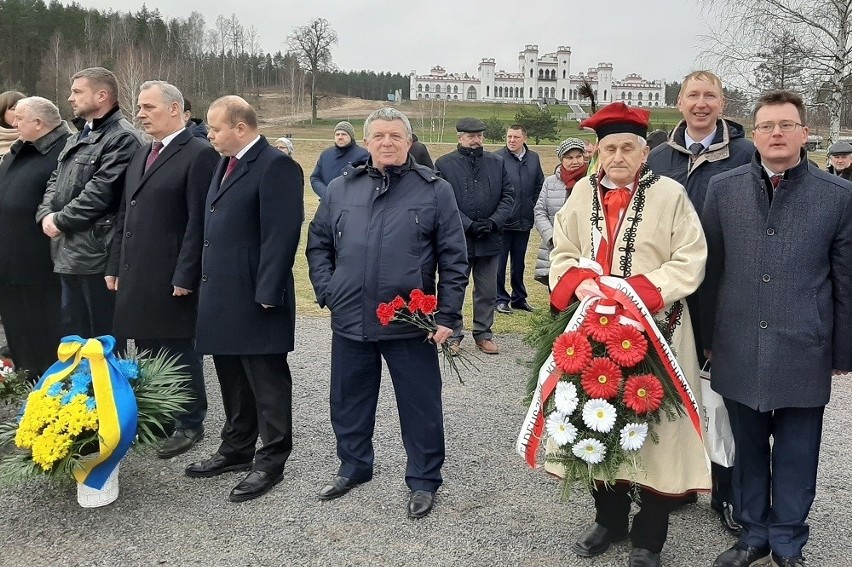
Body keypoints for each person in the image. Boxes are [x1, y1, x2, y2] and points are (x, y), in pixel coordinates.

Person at [549, 102, 710, 567]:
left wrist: (636, 294)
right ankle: (610, 520)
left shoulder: (672, 195)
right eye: (609, 148)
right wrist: (580, 283)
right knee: (597, 419)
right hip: (595, 330)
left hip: (659, 330)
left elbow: (690, 258)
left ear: (644, 153)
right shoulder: (581, 194)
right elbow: (563, 250)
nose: (617, 156)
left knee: (657, 431)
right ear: (599, 152)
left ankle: (649, 538)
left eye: (627, 148)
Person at [702, 90, 852, 567]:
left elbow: (846, 280)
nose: (777, 134)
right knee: (745, 447)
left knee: (796, 451)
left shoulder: (838, 197)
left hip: (803, 347)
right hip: (739, 343)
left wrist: (842, 352)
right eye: (767, 126)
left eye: (787, 125)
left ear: (805, 133)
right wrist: (708, 341)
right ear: (756, 134)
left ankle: (787, 539)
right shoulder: (722, 189)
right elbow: (709, 272)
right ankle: (753, 534)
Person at [306, 107, 467, 519]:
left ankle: (424, 480)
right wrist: (329, 291)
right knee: (348, 401)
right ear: (368, 141)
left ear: (409, 142)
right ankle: (354, 466)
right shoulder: (343, 188)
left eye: (396, 136)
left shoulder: (434, 190)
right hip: (350, 319)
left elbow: (453, 258)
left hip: (408, 322)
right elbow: (319, 244)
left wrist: (448, 316)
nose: (387, 143)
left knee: (420, 406)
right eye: (378, 136)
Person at [647, 69, 754, 535]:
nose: (701, 103)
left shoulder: (746, 155)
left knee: (723, 397)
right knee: (669, 388)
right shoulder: (657, 157)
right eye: (693, 95)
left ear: (723, 103)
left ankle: (726, 490)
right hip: (669, 294)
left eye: (710, 95)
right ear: (680, 102)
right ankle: (675, 483)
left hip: (724, 289)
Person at [185, 95, 303, 503]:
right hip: (221, 294)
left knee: (266, 382)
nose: (209, 134)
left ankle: (271, 460)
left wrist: (268, 291)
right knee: (232, 377)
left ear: (241, 128)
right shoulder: (224, 163)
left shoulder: (276, 166)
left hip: (256, 297)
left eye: (215, 129)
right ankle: (236, 449)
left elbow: (281, 233)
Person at [106, 81, 219, 459]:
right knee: (148, 345)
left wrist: (186, 274)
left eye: (148, 107)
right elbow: (126, 212)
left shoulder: (199, 154)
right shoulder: (142, 152)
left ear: (174, 109)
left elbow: (198, 222)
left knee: (177, 347)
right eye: (139, 107)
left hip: (173, 273)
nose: (140, 114)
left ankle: (190, 422)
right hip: (137, 269)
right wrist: (114, 264)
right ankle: (163, 415)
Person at [35, 67, 143, 338]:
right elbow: (55, 181)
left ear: (102, 95)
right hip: (66, 250)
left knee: (101, 340)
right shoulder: (77, 136)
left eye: (77, 92)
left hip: (96, 252)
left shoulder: (121, 138)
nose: (71, 98)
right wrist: (45, 214)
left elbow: (101, 192)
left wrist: (59, 220)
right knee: (73, 337)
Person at [0, 97, 69, 377]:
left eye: (20, 119)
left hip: (40, 262)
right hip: (9, 261)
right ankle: (29, 387)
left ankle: (52, 393)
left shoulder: (63, 151)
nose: (14, 123)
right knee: (18, 334)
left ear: (38, 123)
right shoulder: (20, 149)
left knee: (45, 333)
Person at [435, 117, 514, 355]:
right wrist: (467, 224)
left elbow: (509, 196)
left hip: (490, 237)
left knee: (488, 290)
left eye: (479, 135)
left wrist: (492, 222)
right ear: (459, 137)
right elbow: (442, 201)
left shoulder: (497, 163)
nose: (476, 140)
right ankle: (453, 334)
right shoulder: (444, 164)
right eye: (471, 136)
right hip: (458, 239)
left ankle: (483, 333)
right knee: (453, 287)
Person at [494, 124, 544, 314]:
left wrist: (531, 205)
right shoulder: (498, 158)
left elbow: (539, 184)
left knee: (519, 262)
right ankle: (500, 298)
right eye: (509, 137)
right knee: (499, 263)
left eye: (516, 137)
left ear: (525, 138)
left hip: (524, 221)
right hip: (504, 222)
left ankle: (519, 298)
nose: (512, 140)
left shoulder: (533, 158)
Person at [533, 138, 586, 288]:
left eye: (578, 156)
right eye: (569, 157)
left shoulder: (591, 181)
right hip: (553, 247)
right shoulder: (550, 182)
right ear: (561, 159)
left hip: (582, 248)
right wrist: (551, 237)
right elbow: (540, 211)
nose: (574, 161)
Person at [309, 121, 369, 200]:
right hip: (327, 203)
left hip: (352, 204)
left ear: (351, 136)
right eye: (337, 134)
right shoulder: (326, 154)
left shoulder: (363, 155)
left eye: (344, 134)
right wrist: (327, 194)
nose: (340, 137)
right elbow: (315, 178)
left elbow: (366, 183)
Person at [0, 90, 25, 158]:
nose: (19, 113)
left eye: (24, 109)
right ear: (2, 112)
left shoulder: (39, 140)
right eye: (13, 109)